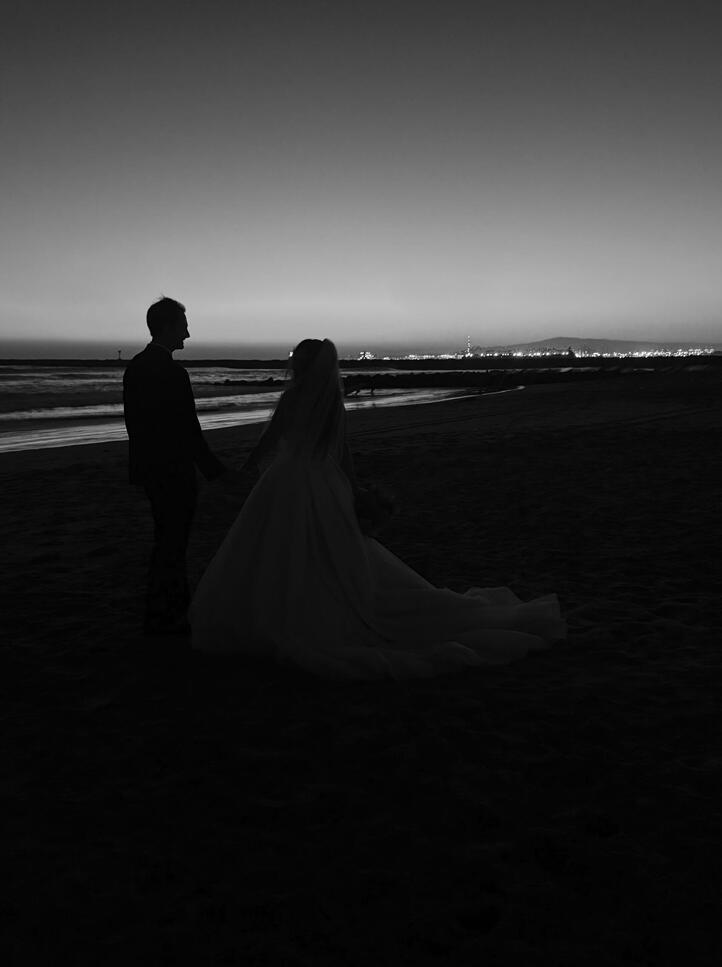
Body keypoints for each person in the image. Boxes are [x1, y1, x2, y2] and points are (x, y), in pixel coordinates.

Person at [190, 338, 566, 680]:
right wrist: (352, 486)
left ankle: (281, 614)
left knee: (281, 548)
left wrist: (246, 471)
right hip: (324, 480)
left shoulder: (292, 399)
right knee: (332, 550)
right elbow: (343, 452)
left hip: (287, 479)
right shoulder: (332, 401)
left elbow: (270, 440)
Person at [123, 297, 228, 637]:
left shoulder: (135, 367)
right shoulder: (173, 372)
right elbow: (188, 429)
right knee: (174, 542)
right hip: (175, 470)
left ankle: (163, 611)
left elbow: (134, 424)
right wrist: (214, 471)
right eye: (183, 325)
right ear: (167, 327)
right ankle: (169, 614)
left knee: (165, 538)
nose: (188, 332)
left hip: (150, 469)